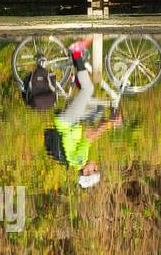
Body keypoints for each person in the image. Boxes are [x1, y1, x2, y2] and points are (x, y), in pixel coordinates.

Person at [47, 40, 121, 189]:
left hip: (68, 121)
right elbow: (90, 131)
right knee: (97, 110)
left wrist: (110, 123)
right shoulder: (77, 161)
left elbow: (89, 136)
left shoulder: (79, 160)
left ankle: (76, 52)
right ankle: (77, 69)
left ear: (86, 172)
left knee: (88, 90)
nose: (96, 166)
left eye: (95, 169)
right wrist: (105, 122)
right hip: (71, 122)